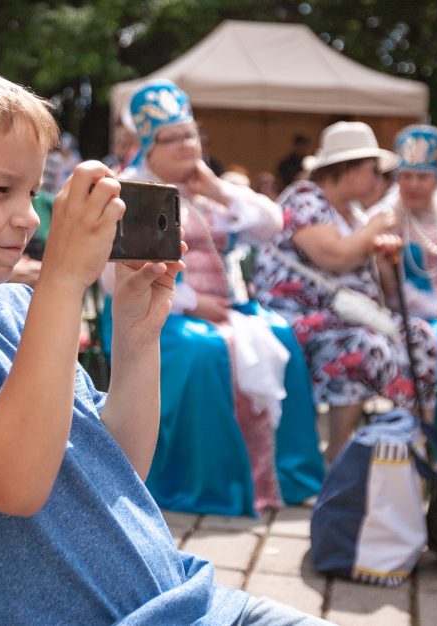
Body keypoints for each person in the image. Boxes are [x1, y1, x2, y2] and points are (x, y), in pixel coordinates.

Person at [0, 60, 329, 625]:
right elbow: (15, 484)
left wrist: (137, 339)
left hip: (185, 597)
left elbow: (121, 466)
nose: (28, 217)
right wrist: (63, 281)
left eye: (31, 192)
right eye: (0, 190)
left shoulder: (20, 307)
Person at [110, 79, 324, 514]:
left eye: (190, 135)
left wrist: (218, 189)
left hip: (225, 309)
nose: (186, 146)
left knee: (281, 334)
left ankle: (288, 480)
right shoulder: (132, 190)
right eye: (171, 139)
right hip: (159, 313)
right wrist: (191, 303)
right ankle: (211, 486)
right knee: (203, 352)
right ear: (149, 147)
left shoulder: (207, 188)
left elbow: (272, 226)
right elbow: (116, 276)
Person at [253, 121, 437, 462]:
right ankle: (339, 454)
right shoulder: (305, 198)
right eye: (374, 170)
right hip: (300, 318)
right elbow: (335, 257)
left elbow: (374, 280)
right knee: (361, 346)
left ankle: (417, 446)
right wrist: (375, 229)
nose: (379, 180)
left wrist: (383, 252)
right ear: (348, 169)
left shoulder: (352, 212)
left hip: (352, 316)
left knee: (422, 338)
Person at [376, 124, 437, 321]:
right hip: (412, 319)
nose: (412, 185)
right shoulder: (386, 218)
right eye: (406, 176)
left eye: (422, 177)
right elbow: (392, 290)